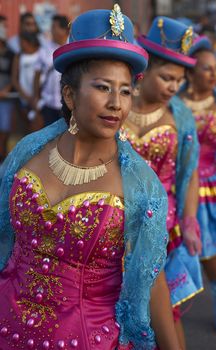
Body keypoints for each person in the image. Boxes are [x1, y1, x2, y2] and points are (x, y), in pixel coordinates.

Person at [0, 5, 181, 350]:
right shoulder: (26, 154)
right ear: (69, 94)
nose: (116, 103)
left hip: (89, 339)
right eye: (103, 87)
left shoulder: (141, 185)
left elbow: (151, 277)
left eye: (125, 91)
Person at [123, 17, 203, 350]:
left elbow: (191, 171)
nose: (173, 87)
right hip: (118, 229)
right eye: (166, 77)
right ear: (144, 71)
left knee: (165, 312)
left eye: (179, 81)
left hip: (163, 232)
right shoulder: (116, 107)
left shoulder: (180, 116)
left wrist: (189, 220)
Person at [179, 35, 216, 334]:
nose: (214, 74)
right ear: (190, 72)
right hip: (182, 188)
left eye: (215, 68)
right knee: (175, 253)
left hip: (215, 189)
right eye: (206, 68)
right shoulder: (176, 106)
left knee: (211, 252)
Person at [33, 15, 69, 128]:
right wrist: (36, 98)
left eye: (54, 27)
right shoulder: (44, 49)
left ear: (64, 30)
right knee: (48, 136)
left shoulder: (72, 48)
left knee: (65, 135)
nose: (51, 30)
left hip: (68, 103)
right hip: (48, 104)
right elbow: (37, 75)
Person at [12, 31, 40, 127]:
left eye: (22, 41)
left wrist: (36, 96)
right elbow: (14, 79)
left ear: (29, 42)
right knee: (27, 126)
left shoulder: (40, 53)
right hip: (24, 98)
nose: (20, 44)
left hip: (39, 98)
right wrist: (26, 97)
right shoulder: (19, 56)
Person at [0, 24, 14, 163]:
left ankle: (3, 158)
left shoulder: (11, 54)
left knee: (4, 129)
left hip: (6, 98)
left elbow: (14, 76)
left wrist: (6, 90)